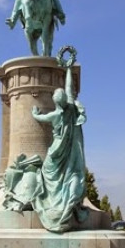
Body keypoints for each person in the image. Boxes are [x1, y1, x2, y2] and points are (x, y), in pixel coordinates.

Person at [28, 52, 87, 232]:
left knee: (46, 172)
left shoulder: (54, 115)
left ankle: (50, 202)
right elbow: (69, 88)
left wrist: (34, 114)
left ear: (55, 101)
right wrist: (68, 68)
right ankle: (62, 204)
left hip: (55, 151)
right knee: (54, 173)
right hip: (67, 150)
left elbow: (41, 117)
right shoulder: (70, 109)